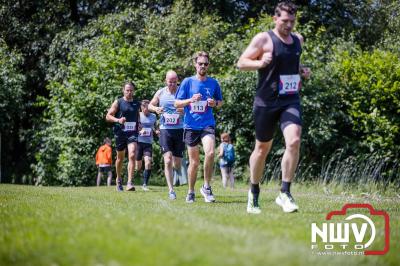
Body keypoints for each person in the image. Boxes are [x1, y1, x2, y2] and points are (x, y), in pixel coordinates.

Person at [237, 1, 311, 214]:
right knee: (262, 149)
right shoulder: (263, 39)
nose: (289, 25)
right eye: (285, 21)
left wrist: (302, 71)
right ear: (275, 19)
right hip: (266, 102)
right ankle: (253, 192)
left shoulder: (298, 40)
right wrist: (259, 63)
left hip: (290, 99)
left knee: (294, 140)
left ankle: (285, 192)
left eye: (292, 21)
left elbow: (292, 64)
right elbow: (242, 62)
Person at [175, 51, 223, 203]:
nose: (203, 66)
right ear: (195, 64)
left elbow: (220, 102)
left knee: (210, 153)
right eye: (200, 63)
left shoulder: (213, 83)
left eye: (206, 64)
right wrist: (190, 100)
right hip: (190, 125)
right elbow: (177, 103)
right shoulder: (187, 82)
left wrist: (214, 103)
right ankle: (190, 191)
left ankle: (207, 187)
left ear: (208, 66)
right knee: (194, 162)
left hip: (207, 123)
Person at [149, 70, 185, 200]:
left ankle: (176, 176)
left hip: (180, 129)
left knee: (177, 164)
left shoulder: (182, 91)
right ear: (166, 81)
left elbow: (191, 105)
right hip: (165, 130)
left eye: (175, 82)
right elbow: (150, 105)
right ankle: (171, 190)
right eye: (170, 82)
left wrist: (184, 110)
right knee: (167, 159)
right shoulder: (160, 92)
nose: (172, 85)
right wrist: (156, 109)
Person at [106, 82, 141, 192]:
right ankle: (119, 179)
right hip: (120, 132)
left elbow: (138, 115)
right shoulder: (118, 102)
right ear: (123, 90)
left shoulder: (136, 103)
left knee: (132, 153)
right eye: (127, 90)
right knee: (120, 158)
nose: (129, 92)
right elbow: (108, 116)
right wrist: (118, 120)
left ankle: (130, 182)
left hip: (132, 133)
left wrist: (139, 123)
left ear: (133, 91)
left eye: (131, 90)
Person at [135, 100, 158, 191]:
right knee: (138, 167)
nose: (147, 110)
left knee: (148, 162)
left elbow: (155, 127)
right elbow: (134, 127)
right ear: (142, 108)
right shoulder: (138, 116)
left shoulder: (153, 116)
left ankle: (145, 184)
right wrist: (140, 131)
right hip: (138, 142)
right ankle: (131, 179)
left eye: (148, 108)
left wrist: (156, 131)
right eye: (145, 108)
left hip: (148, 143)